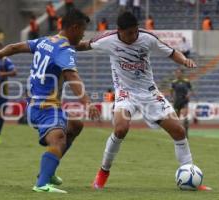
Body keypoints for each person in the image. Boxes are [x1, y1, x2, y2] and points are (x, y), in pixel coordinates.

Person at [76, 11, 210, 191]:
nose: (134, 36)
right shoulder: (107, 40)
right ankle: (103, 173)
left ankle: (191, 175)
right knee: (121, 128)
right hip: (125, 93)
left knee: (178, 131)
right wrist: (63, 44)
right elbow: (84, 45)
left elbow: (171, 52)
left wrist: (184, 60)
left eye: (135, 31)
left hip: (149, 93)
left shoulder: (147, 38)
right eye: (129, 33)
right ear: (119, 31)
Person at [0, 9, 100, 193]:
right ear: (74, 28)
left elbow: (15, 47)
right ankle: (42, 184)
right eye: (83, 30)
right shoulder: (64, 50)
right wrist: (88, 103)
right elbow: (72, 76)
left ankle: (48, 173)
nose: (83, 34)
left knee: (75, 125)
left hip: (36, 104)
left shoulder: (46, 41)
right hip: (45, 106)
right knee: (58, 139)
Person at [170, 68, 193, 138]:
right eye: (176, 73)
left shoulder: (186, 81)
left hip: (184, 100)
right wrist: (172, 98)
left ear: (182, 74)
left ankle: (186, 133)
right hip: (177, 101)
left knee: (185, 116)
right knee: (176, 118)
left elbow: (190, 90)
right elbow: (171, 91)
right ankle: (176, 133)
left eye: (179, 73)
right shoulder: (174, 82)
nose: (177, 74)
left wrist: (189, 95)